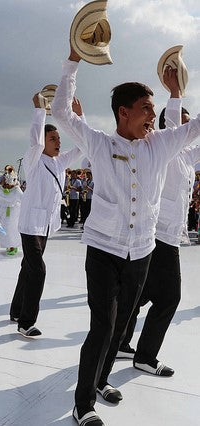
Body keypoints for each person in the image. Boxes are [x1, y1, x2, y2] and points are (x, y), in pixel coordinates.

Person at [51, 45, 200, 425]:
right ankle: (83, 403)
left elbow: (195, 127)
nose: (153, 117)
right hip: (103, 250)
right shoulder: (100, 143)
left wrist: (177, 90)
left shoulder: (161, 146)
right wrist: (74, 59)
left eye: (154, 110)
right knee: (102, 326)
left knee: (120, 324)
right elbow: (61, 113)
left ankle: (102, 380)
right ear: (124, 112)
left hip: (143, 252)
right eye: (147, 109)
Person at [117, 101, 200, 376]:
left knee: (141, 294)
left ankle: (120, 342)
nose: (188, 128)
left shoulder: (187, 157)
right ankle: (144, 356)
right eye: (183, 123)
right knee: (169, 297)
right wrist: (175, 94)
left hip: (171, 236)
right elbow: (175, 125)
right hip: (159, 233)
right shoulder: (164, 149)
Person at [9, 93, 81, 338]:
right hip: (30, 225)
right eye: (53, 138)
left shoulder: (60, 163)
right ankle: (26, 322)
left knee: (28, 268)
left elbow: (83, 145)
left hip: (47, 226)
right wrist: (40, 111)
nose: (58, 142)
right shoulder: (34, 159)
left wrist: (79, 117)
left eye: (59, 138)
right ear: (43, 141)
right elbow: (35, 140)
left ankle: (16, 310)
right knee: (38, 271)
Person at [0, 168, 23, 255]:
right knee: (5, 228)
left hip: (14, 212)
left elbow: (23, 199)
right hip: (3, 212)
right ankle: (8, 244)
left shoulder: (16, 190)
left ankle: (13, 246)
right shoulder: (0, 189)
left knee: (13, 228)